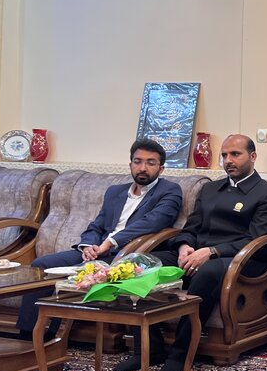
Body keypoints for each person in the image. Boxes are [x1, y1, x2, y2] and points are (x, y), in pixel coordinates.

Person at [114, 134, 267, 371]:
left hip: (241, 260)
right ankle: (148, 350)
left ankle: (181, 354)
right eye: (224, 155)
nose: (228, 160)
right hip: (196, 254)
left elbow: (256, 238)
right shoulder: (210, 189)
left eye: (235, 154)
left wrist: (211, 252)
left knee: (208, 271)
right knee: (137, 264)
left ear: (253, 156)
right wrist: (184, 246)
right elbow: (191, 227)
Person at [18, 138, 183, 338]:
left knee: (84, 271)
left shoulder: (169, 190)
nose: (143, 168)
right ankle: (28, 335)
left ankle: (53, 338)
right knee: (41, 265)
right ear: (130, 164)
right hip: (99, 252)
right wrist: (88, 246)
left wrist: (109, 243)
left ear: (161, 168)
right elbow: (97, 225)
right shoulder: (115, 192)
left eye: (150, 163)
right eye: (138, 161)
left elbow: (153, 222)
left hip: (127, 255)